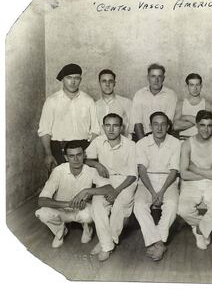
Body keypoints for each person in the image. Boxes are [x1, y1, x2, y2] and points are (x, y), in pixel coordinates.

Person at [35, 140, 114, 248]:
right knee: (42, 213)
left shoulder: (91, 171)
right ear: (66, 158)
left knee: (90, 214)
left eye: (79, 155)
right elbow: (42, 200)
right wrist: (69, 204)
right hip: (62, 209)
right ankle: (60, 231)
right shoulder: (58, 171)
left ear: (84, 155)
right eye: (71, 156)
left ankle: (88, 228)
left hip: (82, 209)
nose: (76, 159)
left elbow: (109, 188)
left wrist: (86, 191)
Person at [85, 113, 137, 261]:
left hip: (126, 181)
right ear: (103, 127)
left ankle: (106, 243)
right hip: (105, 181)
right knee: (97, 204)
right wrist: (96, 164)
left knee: (120, 204)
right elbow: (84, 157)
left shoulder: (131, 145)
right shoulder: (98, 141)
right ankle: (106, 243)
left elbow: (133, 175)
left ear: (121, 128)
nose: (111, 129)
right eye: (108, 125)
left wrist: (116, 191)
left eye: (115, 125)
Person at [133, 111, 181, 261]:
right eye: (155, 124)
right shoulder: (142, 143)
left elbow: (174, 170)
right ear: (150, 126)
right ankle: (159, 242)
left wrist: (161, 192)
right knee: (139, 205)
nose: (159, 128)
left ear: (168, 126)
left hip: (169, 180)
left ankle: (157, 241)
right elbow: (141, 170)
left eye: (163, 124)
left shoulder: (175, 143)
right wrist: (154, 192)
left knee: (172, 204)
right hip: (147, 181)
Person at [38, 63, 100, 172]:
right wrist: (48, 154)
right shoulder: (52, 101)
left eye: (76, 78)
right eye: (69, 78)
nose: (73, 82)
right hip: (59, 150)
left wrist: (88, 152)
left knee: (85, 185)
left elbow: (95, 129)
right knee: (61, 184)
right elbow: (44, 131)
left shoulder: (88, 100)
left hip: (83, 149)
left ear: (80, 80)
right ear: (63, 79)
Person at [178, 110, 212, 249]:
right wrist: (210, 171)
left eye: (209, 125)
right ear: (196, 125)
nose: (206, 129)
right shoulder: (187, 144)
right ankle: (204, 226)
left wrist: (195, 168)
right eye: (202, 125)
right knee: (183, 210)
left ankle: (200, 230)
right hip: (191, 184)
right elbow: (184, 174)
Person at [130, 64, 177, 141]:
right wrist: (144, 143)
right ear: (148, 78)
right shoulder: (139, 94)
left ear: (163, 78)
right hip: (141, 136)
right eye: (153, 76)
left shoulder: (171, 95)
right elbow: (137, 122)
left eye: (159, 76)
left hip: (162, 137)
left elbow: (167, 122)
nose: (156, 80)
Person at [173, 73, 211, 140]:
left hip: (202, 141)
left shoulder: (207, 104)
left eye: (197, 85)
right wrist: (200, 121)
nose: (195, 88)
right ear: (187, 86)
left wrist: (186, 117)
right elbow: (176, 126)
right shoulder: (181, 104)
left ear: (201, 86)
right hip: (183, 140)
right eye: (192, 85)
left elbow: (208, 125)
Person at [95, 69, 132, 138]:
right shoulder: (95, 105)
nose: (107, 84)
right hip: (101, 146)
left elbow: (132, 127)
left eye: (110, 81)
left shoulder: (126, 102)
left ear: (114, 83)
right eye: (104, 81)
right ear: (99, 83)